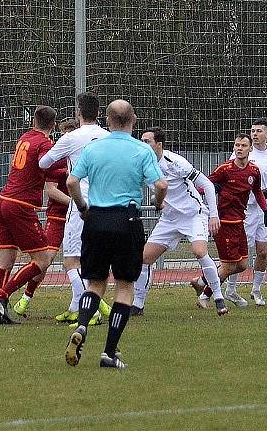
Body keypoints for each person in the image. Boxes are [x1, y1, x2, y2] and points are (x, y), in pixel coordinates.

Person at [64, 100, 167, 369]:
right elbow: (161, 184)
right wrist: (157, 202)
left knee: (94, 283)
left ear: (107, 120)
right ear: (133, 119)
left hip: (96, 218)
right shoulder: (141, 151)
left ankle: (83, 325)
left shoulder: (94, 148)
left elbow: (72, 182)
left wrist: (82, 207)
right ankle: (109, 353)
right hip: (126, 219)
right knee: (125, 287)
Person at [131, 127, 225, 315]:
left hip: (193, 215)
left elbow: (206, 184)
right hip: (169, 219)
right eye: (141, 141)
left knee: (199, 252)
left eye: (147, 141)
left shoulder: (175, 162)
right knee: (144, 258)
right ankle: (138, 305)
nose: (143, 145)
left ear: (159, 145)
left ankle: (218, 298)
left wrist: (213, 215)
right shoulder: (141, 164)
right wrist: (154, 201)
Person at [38, 91, 112, 325]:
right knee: (93, 260)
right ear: (99, 114)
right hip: (107, 204)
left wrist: (66, 154)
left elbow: (44, 162)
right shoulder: (108, 137)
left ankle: (90, 311)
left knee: (71, 260)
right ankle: (74, 307)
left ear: (78, 113)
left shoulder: (71, 138)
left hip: (82, 204)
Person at [0, 106, 64, 325]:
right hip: (20, 205)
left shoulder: (25, 138)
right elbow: (45, 165)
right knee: (42, 260)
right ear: (54, 125)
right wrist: (69, 170)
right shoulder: (44, 143)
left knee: (6, 261)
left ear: (34, 122)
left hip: (3, 201)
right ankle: (2, 295)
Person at [192, 134, 267, 308]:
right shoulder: (224, 169)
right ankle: (205, 297)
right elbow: (202, 186)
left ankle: (201, 281)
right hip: (223, 223)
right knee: (229, 266)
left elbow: (258, 192)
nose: (239, 148)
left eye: (243, 145)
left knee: (242, 264)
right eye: (237, 145)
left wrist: (266, 212)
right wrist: (204, 193)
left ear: (250, 149)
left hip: (240, 222)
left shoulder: (253, 171)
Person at [13, 117, 78, 317]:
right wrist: (75, 204)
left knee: (82, 261)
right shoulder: (54, 156)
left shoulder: (82, 157)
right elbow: (50, 190)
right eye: (63, 135)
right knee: (45, 259)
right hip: (58, 217)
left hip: (80, 217)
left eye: (70, 135)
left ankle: (87, 305)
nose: (66, 138)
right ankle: (25, 298)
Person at [222, 119, 267, 306]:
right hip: (245, 209)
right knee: (239, 253)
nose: (254, 134)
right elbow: (229, 173)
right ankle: (230, 289)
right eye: (252, 130)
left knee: (262, 251)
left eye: (259, 131)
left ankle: (256, 289)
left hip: (264, 209)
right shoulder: (243, 152)